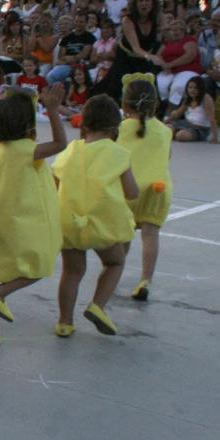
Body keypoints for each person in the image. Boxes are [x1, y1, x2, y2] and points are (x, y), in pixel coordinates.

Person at [0, 85, 68, 346]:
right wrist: (53, 111)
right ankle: (2, 294)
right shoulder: (26, 150)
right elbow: (60, 143)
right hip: (19, 222)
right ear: (26, 124)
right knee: (38, 264)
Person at [52, 95, 139, 337]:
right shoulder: (119, 153)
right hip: (102, 223)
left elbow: (53, 183)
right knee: (115, 262)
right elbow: (132, 193)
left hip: (69, 221)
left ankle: (64, 322)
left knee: (72, 272)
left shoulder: (71, 149)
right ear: (115, 128)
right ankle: (97, 306)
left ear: (84, 125)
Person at [119, 77, 173, 302]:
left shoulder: (121, 128)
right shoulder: (165, 130)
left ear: (125, 104)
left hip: (128, 187)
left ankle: (113, 272)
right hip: (158, 188)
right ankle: (145, 279)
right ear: (155, 103)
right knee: (151, 234)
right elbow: (167, 158)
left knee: (123, 234)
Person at [166, 74, 219, 144]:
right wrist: (168, 119)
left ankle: (178, 133)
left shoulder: (206, 98)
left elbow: (212, 119)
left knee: (180, 136)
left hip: (200, 129)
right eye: (190, 87)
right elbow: (178, 113)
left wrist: (215, 138)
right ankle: (176, 132)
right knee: (167, 129)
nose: (192, 90)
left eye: (195, 88)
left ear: (201, 88)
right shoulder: (188, 98)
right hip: (186, 124)